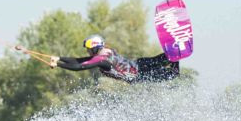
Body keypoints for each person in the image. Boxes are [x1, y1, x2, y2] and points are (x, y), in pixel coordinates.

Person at [49, 34, 179, 83]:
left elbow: (80, 66)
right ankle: (176, 47)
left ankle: (177, 55)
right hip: (139, 63)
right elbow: (79, 60)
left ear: (94, 48)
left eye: (89, 49)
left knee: (173, 74)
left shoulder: (101, 60)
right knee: (166, 57)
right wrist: (59, 58)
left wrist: (59, 65)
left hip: (141, 74)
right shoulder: (105, 52)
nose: (87, 51)